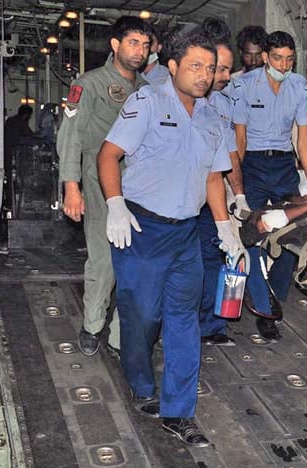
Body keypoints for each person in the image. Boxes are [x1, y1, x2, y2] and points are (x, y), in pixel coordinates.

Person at [97, 29, 242, 446]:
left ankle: (178, 411)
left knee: (183, 320)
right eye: (195, 66)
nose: (204, 75)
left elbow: (214, 178)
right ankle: (141, 383)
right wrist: (115, 204)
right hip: (142, 229)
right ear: (173, 66)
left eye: (210, 68)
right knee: (142, 317)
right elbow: (109, 155)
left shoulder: (214, 117)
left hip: (186, 236)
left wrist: (224, 227)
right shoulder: (147, 101)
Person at [57, 16, 152, 357]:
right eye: (132, 43)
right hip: (98, 184)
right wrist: (72, 186)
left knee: (136, 265)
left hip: (138, 188)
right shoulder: (90, 84)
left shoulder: (147, 90)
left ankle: (119, 335)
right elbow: (71, 136)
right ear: (115, 45)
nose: (139, 51)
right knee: (103, 261)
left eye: (144, 44)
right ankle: (93, 324)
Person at [233, 30, 307, 340]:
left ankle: (276, 293)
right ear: (266, 57)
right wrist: (237, 186)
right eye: (278, 58)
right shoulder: (243, 85)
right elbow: (239, 138)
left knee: (294, 228)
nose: (284, 65)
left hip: (283, 164)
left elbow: (304, 138)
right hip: (253, 163)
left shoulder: (299, 86)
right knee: (252, 233)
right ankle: (264, 305)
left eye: (290, 59)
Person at [195, 18, 250, 347]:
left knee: (215, 258)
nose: (227, 77)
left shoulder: (223, 104)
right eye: (223, 70)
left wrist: (239, 195)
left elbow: (230, 154)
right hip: (182, 197)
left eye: (230, 70)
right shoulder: (180, 100)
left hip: (211, 199)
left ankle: (211, 327)